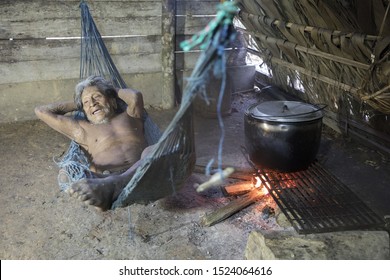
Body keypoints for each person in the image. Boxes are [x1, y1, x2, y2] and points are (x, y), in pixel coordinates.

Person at [35, 75, 154, 211]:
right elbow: (41, 111)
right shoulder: (82, 129)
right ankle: (107, 186)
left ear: (112, 101)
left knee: (154, 150)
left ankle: (116, 184)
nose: (92, 103)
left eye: (97, 97)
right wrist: (79, 101)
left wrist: (110, 91)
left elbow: (135, 96)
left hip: (144, 172)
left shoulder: (131, 115)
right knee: (68, 172)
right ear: (84, 111)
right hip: (104, 177)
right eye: (86, 103)